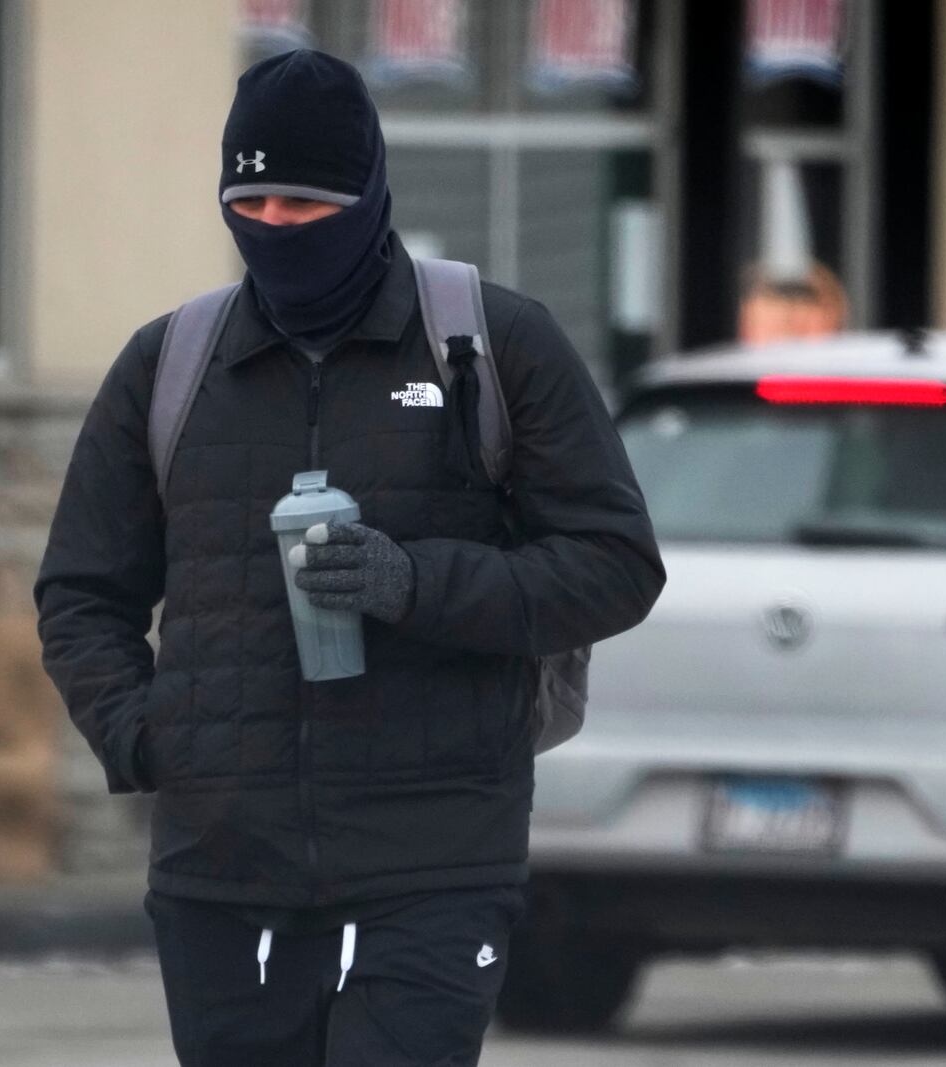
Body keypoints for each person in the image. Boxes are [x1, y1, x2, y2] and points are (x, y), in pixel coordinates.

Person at [35, 49, 664, 1067]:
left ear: (368, 195)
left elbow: (613, 563)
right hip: (222, 868)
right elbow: (81, 590)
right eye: (253, 202)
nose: (276, 228)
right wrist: (143, 733)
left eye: (306, 204)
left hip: (435, 857)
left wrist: (413, 582)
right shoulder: (170, 363)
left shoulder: (491, 345)